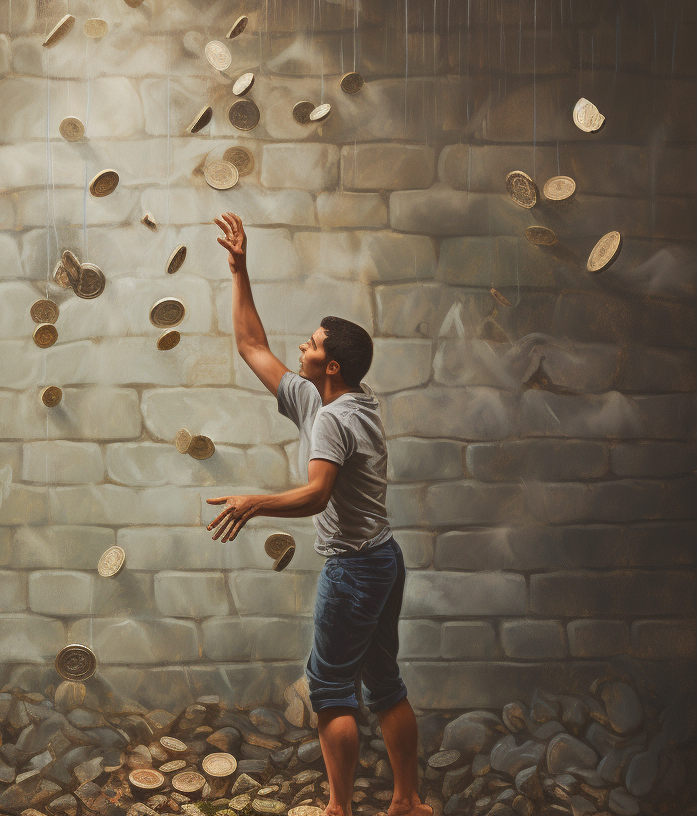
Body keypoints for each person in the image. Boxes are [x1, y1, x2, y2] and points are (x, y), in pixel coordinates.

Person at [203, 213, 431, 816]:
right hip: (384, 559)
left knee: (332, 691)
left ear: (330, 365)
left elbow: (316, 496)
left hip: (355, 570)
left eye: (312, 343)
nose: (301, 346)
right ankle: (407, 801)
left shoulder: (331, 419)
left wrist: (253, 503)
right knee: (386, 685)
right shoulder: (341, 400)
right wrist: (239, 269)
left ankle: (339, 810)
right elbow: (253, 346)